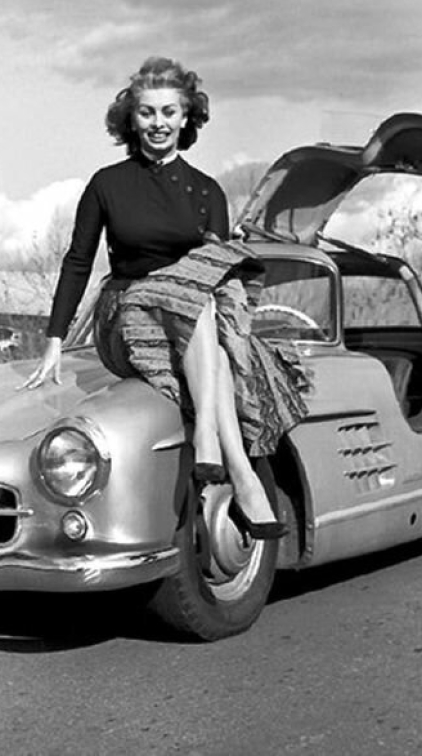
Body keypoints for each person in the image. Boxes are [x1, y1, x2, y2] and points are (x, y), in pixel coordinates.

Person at [21, 56, 309, 539]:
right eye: (147, 112)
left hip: (194, 323)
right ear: (131, 119)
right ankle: (232, 462)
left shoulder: (208, 192)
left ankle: (228, 462)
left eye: (169, 112)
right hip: (126, 314)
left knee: (206, 295)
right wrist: (54, 339)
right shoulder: (107, 184)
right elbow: (78, 261)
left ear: (186, 116)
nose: (159, 123)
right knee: (200, 302)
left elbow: (218, 275)